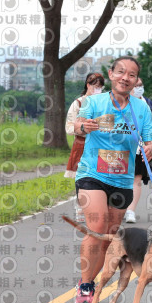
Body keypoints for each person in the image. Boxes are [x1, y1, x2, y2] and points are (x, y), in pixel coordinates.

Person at [72, 56, 152, 303]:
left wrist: (151, 147)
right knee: (97, 225)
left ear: (135, 81)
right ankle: (85, 286)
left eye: (131, 75)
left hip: (122, 180)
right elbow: (77, 124)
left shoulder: (140, 108)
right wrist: (84, 126)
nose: (125, 77)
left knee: (109, 236)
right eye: (121, 72)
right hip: (92, 174)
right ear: (111, 74)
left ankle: (93, 281)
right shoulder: (95, 102)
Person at [64, 73, 105, 221]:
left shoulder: (104, 103)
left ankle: (98, 207)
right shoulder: (78, 103)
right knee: (81, 177)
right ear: (88, 85)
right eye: (95, 86)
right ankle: (80, 206)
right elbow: (69, 127)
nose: (98, 89)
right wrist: (83, 127)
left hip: (101, 146)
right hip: (82, 144)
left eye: (101, 87)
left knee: (100, 176)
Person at [124, 77, 152, 223]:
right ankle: (118, 207)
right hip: (121, 149)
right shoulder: (121, 103)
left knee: (136, 178)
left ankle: (130, 211)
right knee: (119, 179)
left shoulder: (148, 104)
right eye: (136, 85)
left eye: (141, 85)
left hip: (141, 148)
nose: (139, 87)